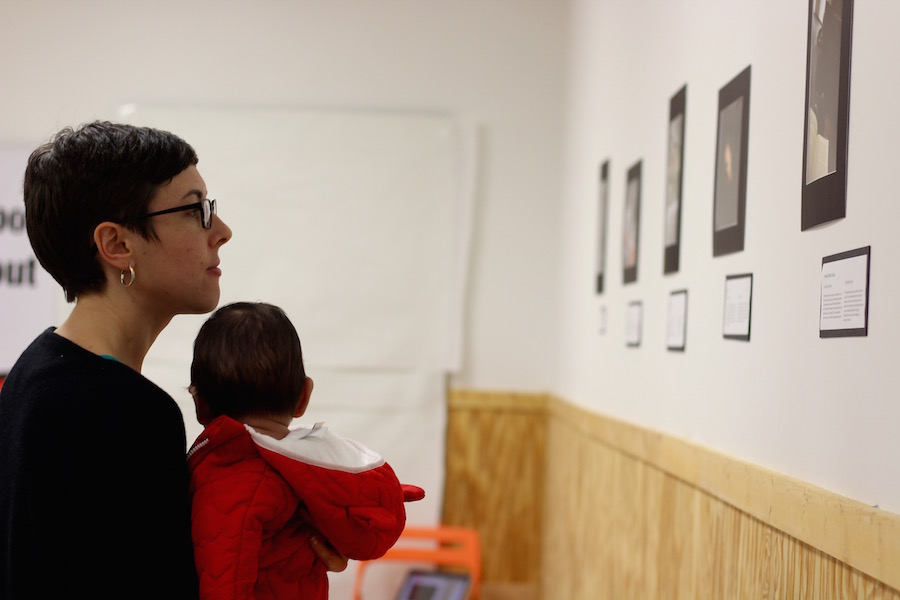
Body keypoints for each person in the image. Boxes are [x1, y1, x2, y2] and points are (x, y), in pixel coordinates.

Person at [0, 122, 345, 599]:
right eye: (195, 210)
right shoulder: (124, 411)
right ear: (118, 245)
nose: (221, 231)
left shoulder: (31, 373)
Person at [187, 301, 424, 599]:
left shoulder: (232, 475)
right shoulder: (316, 471)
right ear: (303, 397)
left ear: (200, 405)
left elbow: (224, 582)